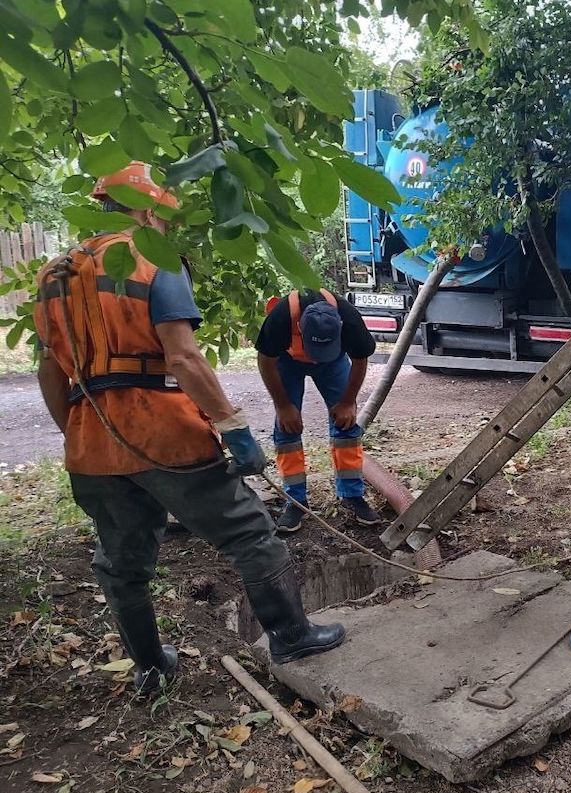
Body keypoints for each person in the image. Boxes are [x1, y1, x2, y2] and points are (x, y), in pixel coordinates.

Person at [33, 162, 345, 694]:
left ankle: (151, 668)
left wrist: (78, 431)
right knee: (249, 532)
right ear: (150, 209)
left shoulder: (53, 275)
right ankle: (291, 635)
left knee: (121, 562)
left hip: (91, 439)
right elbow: (183, 358)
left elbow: (49, 371)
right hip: (163, 431)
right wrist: (235, 428)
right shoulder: (152, 261)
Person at [255, 288, 380, 532]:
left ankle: (351, 495)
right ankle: (295, 501)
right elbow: (265, 361)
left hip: (333, 364)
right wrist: (282, 406)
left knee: (346, 424)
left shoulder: (349, 317)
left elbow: (360, 360)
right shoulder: (281, 317)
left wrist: (347, 402)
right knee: (286, 427)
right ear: (300, 327)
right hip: (288, 362)